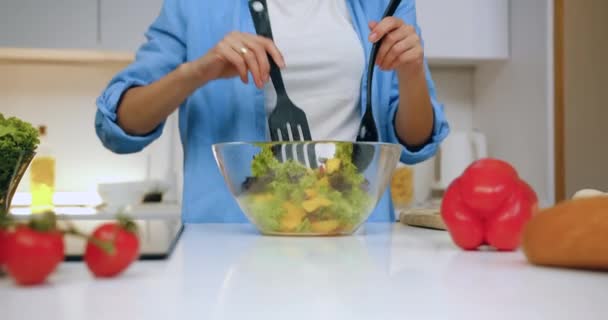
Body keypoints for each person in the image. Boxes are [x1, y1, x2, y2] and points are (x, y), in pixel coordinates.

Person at [95, 0, 450, 223]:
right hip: (225, 241)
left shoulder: (383, 4)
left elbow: (417, 142)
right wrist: (199, 70)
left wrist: (411, 69)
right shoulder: (193, 6)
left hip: (353, 236)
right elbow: (119, 124)